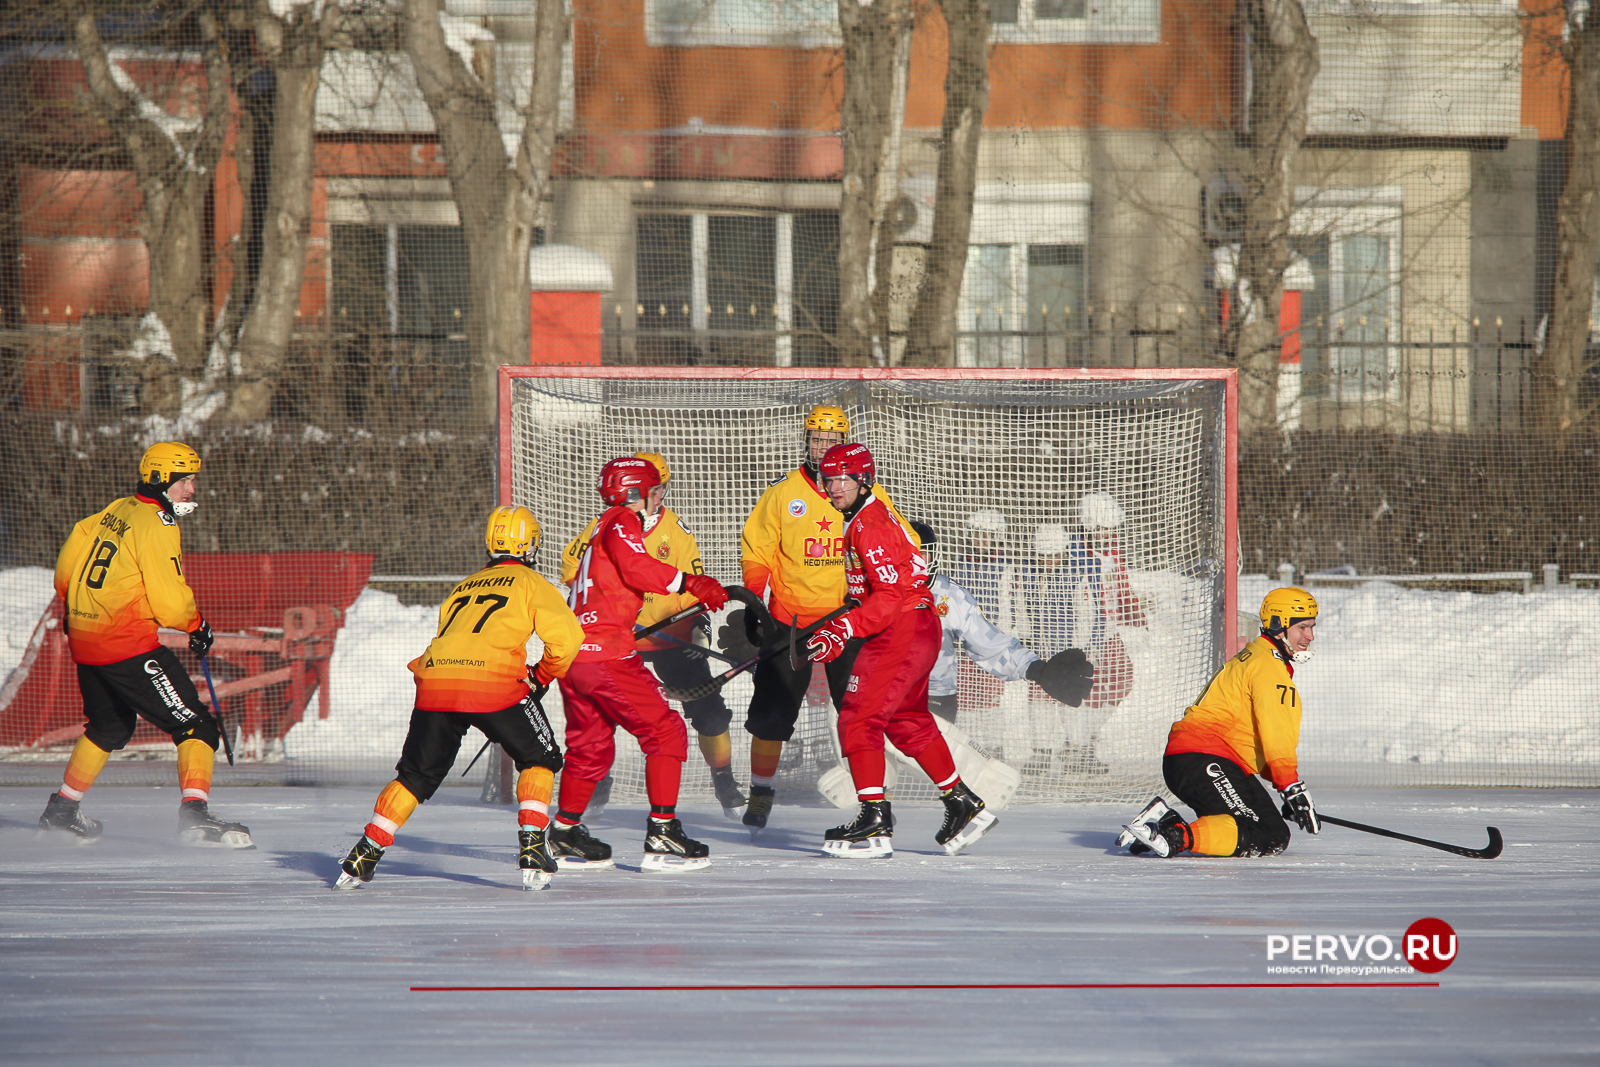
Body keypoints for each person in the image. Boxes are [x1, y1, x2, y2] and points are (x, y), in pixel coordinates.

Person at [335, 506, 584, 890]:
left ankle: (366, 850)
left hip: (437, 681)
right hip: (495, 683)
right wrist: (542, 675)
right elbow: (567, 641)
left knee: (414, 777)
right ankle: (533, 844)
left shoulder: (463, 586)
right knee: (541, 757)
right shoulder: (531, 583)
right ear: (531, 544)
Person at [40, 442, 251, 848]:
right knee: (196, 725)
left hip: (84, 639)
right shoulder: (159, 523)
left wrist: (79, 605)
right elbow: (169, 599)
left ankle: (63, 810)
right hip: (125, 644)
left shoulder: (119, 508)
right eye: (185, 480)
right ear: (160, 480)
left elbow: (69, 558)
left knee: (109, 726)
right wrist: (196, 625)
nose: (192, 489)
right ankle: (196, 816)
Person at [806, 444, 996, 858]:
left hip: (902, 628)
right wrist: (847, 619)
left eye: (843, 479)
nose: (834, 487)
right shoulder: (863, 516)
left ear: (863, 480)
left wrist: (845, 627)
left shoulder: (868, 524)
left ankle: (875, 820)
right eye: (829, 479)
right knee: (906, 720)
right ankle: (962, 803)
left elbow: (890, 594)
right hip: (915, 625)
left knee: (858, 719)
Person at [735, 404, 911, 835]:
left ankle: (872, 803)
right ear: (806, 442)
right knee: (771, 716)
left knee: (857, 713)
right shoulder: (782, 493)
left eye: (832, 440)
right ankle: (761, 792)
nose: (824, 447)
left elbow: (894, 540)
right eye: (817, 439)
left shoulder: (867, 492)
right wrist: (756, 606)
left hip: (847, 621)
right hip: (789, 622)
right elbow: (757, 552)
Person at [551, 456, 730, 872]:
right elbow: (637, 566)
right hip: (607, 653)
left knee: (590, 747)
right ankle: (662, 832)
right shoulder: (620, 521)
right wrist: (691, 583)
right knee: (665, 732)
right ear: (633, 493)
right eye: (652, 492)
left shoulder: (598, 527)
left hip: (576, 654)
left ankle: (564, 831)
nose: (656, 499)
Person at [1118, 587, 1321, 858]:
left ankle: (1165, 824)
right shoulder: (1269, 668)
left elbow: (1254, 737)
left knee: (1273, 833)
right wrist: (1291, 788)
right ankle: (1173, 835)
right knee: (1263, 833)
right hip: (1204, 757)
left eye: (1311, 627)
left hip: (1207, 758)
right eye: (1302, 627)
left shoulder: (1260, 658)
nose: (1310, 636)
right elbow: (1276, 735)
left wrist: (1283, 790)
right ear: (1278, 626)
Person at [911, 521, 1095, 726]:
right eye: (906, 554)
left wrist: (1036, 669)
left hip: (934, 695)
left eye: (921, 554)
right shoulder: (871, 591)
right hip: (881, 695)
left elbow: (988, 643)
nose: (914, 562)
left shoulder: (949, 594)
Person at [1018, 492, 1147, 775]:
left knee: (1120, 680)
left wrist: (1134, 614)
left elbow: (1119, 586)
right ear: (1087, 526)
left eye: (1111, 529)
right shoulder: (1073, 553)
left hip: (1105, 631)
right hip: (1085, 633)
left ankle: (1081, 742)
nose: (1106, 534)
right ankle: (1077, 747)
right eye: (1101, 528)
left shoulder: (1110, 552)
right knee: (1079, 688)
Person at [948, 509, 1020, 633]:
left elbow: (1015, 606)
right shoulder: (962, 563)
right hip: (965, 632)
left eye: (985, 535)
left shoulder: (1006, 566)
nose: (979, 540)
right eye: (976, 534)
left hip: (996, 632)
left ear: (996, 537)